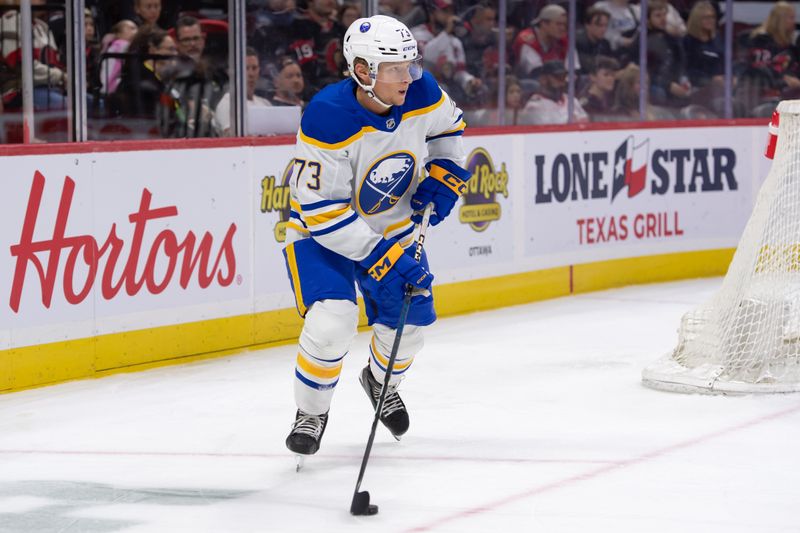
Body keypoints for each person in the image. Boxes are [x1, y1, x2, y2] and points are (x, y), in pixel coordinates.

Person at [282, 15, 469, 458]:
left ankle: (380, 382)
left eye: (411, 64)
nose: (409, 76)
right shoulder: (327, 116)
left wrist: (444, 175)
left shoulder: (421, 91)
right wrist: (382, 255)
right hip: (321, 235)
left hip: (392, 226)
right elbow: (322, 210)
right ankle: (311, 412)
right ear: (363, 71)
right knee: (333, 322)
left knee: (409, 324)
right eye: (396, 68)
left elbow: (448, 132)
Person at [213, 47, 271, 136]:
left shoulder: (265, 103)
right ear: (232, 72)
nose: (251, 74)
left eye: (254, 68)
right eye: (245, 68)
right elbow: (233, 139)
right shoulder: (227, 104)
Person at [519, 60, 588, 125]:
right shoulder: (534, 105)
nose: (562, 82)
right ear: (543, 79)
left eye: (564, 77)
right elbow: (549, 131)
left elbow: (585, 122)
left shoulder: (572, 100)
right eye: (558, 77)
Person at [575, 6, 613, 73]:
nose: (603, 29)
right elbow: (586, 66)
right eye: (599, 25)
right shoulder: (577, 42)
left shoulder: (605, 44)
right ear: (587, 25)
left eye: (606, 25)